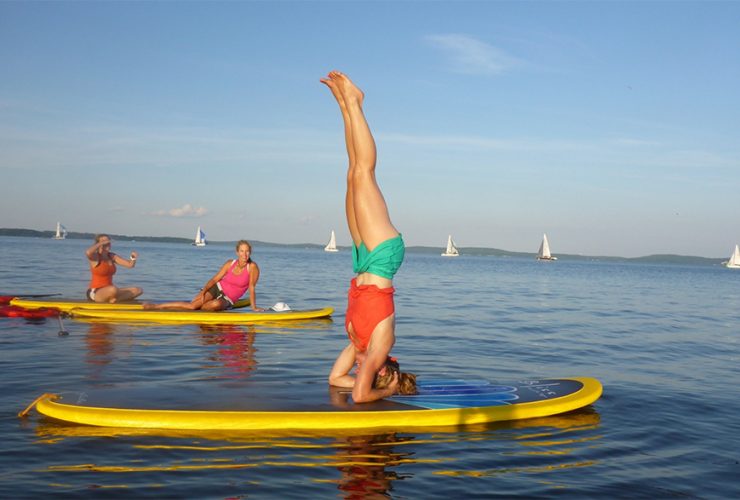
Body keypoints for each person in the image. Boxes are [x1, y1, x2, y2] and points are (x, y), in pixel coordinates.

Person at [321, 70, 416, 403]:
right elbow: (361, 396)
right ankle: (357, 103)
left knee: (351, 174)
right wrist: (389, 389)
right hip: (384, 256)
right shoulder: (379, 347)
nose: (357, 368)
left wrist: (364, 377)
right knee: (365, 172)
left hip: (363, 259)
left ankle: (346, 107)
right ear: (380, 370)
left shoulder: (357, 344)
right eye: (366, 370)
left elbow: (336, 379)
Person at [145, 240, 263, 311]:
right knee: (192, 306)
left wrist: (254, 307)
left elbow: (251, 288)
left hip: (228, 299)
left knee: (214, 304)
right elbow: (215, 279)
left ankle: (202, 307)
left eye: (247, 251)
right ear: (237, 252)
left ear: (250, 252)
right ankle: (157, 306)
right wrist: (204, 291)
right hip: (217, 288)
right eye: (242, 251)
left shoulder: (252, 267)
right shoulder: (230, 263)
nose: (244, 254)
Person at [85, 234, 143, 303]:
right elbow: (88, 252)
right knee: (113, 289)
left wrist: (133, 257)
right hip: (95, 291)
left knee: (138, 290)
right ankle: (112, 298)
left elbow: (130, 265)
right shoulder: (96, 257)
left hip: (111, 290)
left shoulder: (111, 256)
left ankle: (114, 300)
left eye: (108, 241)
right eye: (104, 241)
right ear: (98, 244)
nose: (107, 243)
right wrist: (102, 243)